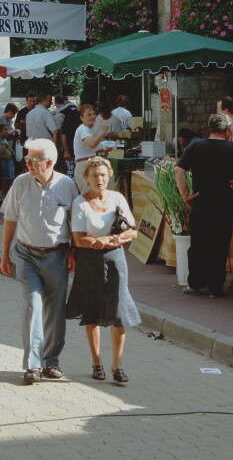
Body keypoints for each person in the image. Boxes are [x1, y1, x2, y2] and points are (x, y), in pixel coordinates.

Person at [0, 139, 77, 384]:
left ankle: (51, 362)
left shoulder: (66, 185)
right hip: (26, 254)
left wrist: (74, 253)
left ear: (49, 163)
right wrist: (4, 255)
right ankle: (32, 364)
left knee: (55, 310)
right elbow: (10, 219)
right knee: (33, 304)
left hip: (57, 254)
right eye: (27, 159)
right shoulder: (21, 183)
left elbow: (75, 222)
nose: (27, 164)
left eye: (33, 160)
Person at [66, 156, 139, 384]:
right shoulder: (80, 202)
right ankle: (97, 362)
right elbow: (79, 239)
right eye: (95, 175)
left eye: (103, 175)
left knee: (119, 312)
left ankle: (117, 365)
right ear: (86, 178)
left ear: (109, 177)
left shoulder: (117, 198)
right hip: (89, 262)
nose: (99, 179)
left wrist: (109, 239)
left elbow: (133, 231)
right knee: (93, 312)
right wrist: (100, 241)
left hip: (115, 260)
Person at [175, 114, 233, 298]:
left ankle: (196, 283)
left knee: (199, 242)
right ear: (228, 131)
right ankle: (215, 287)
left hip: (201, 200)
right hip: (226, 202)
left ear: (210, 129)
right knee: (220, 243)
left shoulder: (196, 145)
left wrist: (185, 195)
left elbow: (179, 170)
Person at [73, 104, 110, 194]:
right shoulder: (83, 129)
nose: (92, 116)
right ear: (82, 118)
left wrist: (105, 147)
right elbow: (92, 144)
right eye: (89, 115)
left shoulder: (87, 129)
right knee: (89, 196)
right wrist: (102, 131)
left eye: (93, 114)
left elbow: (93, 147)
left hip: (88, 164)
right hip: (84, 166)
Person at [59, 99, 81, 179]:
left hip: (76, 152)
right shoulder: (71, 116)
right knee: (71, 174)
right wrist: (66, 150)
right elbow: (63, 134)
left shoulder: (73, 116)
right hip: (71, 151)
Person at [0, 123, 15, 199]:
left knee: (9, 179)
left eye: (7, 129)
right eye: (5, 130)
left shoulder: (4, 139)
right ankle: (2, 195)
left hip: (8, 162)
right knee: (5, 180)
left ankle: (4, 195)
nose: (7, 131)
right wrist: (5, 146)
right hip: (3, 162)